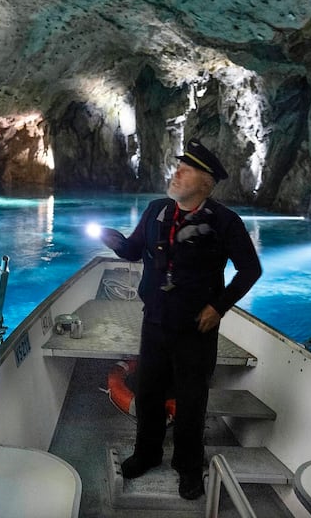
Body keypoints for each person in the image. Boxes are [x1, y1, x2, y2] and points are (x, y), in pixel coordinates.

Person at [99, 138, 262, 500]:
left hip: (195, 329)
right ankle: (147, 453)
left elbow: (250, 270)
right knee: (149, 391)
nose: (176, 174)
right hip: (155, 321)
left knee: (191, 400)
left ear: (205, 183)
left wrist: (218, 307)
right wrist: (115, 241)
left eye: (185, 171)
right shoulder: (157, 210)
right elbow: (132, 250)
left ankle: (188, 467)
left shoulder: (224, 222)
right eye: (178, 168)